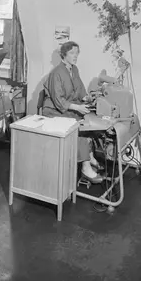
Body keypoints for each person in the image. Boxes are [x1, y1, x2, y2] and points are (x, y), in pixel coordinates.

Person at [41, 41, 102, 184]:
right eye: (72, 53)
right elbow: (59, 101)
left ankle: (90, 157)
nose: (75, 56)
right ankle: (85, 167)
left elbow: (80, 90)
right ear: (64, 54)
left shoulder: (74, 69)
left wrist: (88, 98)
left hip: (70, 108)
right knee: (79, 126)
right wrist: (78, 108)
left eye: (77, 53)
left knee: (90, 121)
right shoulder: (56, 73)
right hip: (54, 111)